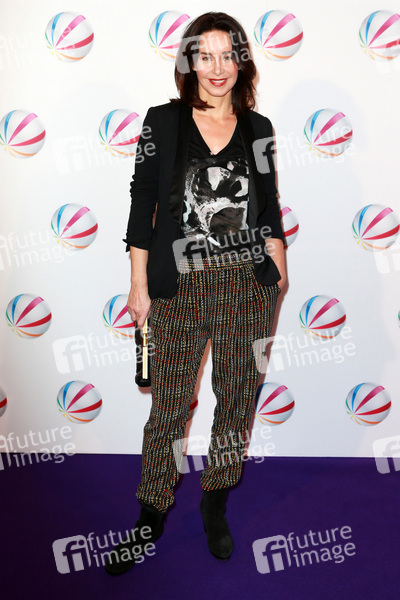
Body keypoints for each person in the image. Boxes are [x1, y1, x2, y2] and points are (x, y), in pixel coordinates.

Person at [105, 11, 286, 576]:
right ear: (189, 62)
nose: (217, 67)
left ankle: (215, 501)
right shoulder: (162, 122)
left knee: (236, 402)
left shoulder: (259, 128)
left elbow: (268, 203)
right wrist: (138, 284)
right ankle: (151, 514)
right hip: (178, 286)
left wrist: (279, 272)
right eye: (205, 55)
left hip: (247, 286)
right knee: (168, 407)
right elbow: (142, 202)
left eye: (228, 55)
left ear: (242, 62)